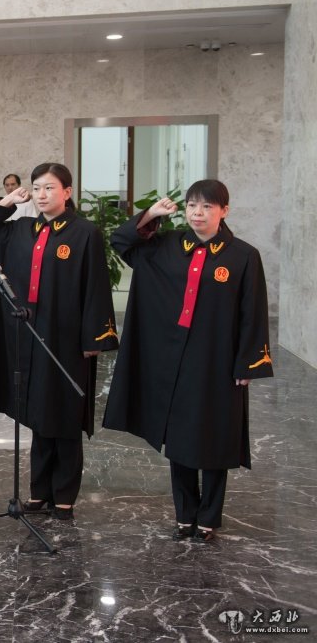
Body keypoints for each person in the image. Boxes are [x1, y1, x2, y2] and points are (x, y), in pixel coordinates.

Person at [103, 180, 273, 542]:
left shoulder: (243, 256)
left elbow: (253, 312)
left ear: (224, 211)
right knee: (179, 437)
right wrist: (151, 214)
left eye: (207, 207)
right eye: (192, 205)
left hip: (216, 359)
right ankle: (185, 515)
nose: (198, 213)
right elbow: (121, 241)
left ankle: (208, 516)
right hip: (171, 359)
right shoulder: (165, 245)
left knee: (214, 435)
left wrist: (248, 363)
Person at [0, 163, 117, 520]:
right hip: (26, 336)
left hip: (66, 338)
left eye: (49, 188)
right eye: (36, 188)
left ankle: (64, 496)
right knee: (37, 414)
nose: (41, 194)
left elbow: (96, 286)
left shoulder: (85, 233)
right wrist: (7, 202)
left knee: (63, 416)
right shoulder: (19, 229)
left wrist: (94, 337)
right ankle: (39, 492)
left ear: (67, 192)